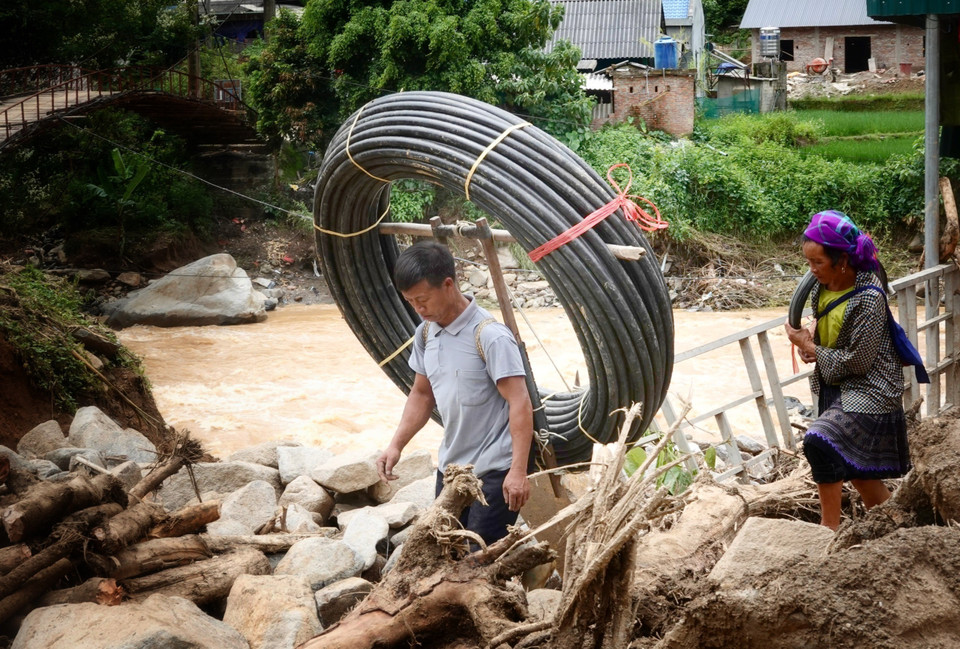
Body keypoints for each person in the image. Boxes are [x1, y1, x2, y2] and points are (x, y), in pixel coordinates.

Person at [376, 240, 533, 545]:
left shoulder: (489, 336)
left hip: (494, 471)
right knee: (444, 550)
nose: (418, 309)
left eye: (423, 299)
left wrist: (518, 471)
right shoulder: (424, 334)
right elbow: (422, 395)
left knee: (481, 558)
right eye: (410, 302)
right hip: (451, 469)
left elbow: (520, 402)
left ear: (448, 284)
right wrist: (396, 445)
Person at [785, 210, 910, 531]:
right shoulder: (821, 289)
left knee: (818, 441)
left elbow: (857, 361)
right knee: (856, 468)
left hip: (871, 391)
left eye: (818, 263)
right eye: (808, 263)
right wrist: (811, 345)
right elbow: (830, 336)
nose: (811, 270)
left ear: (842, 261)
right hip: (837, 386)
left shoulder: (870, 298)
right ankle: (894, 529)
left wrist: (811, 347)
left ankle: (829, 529)